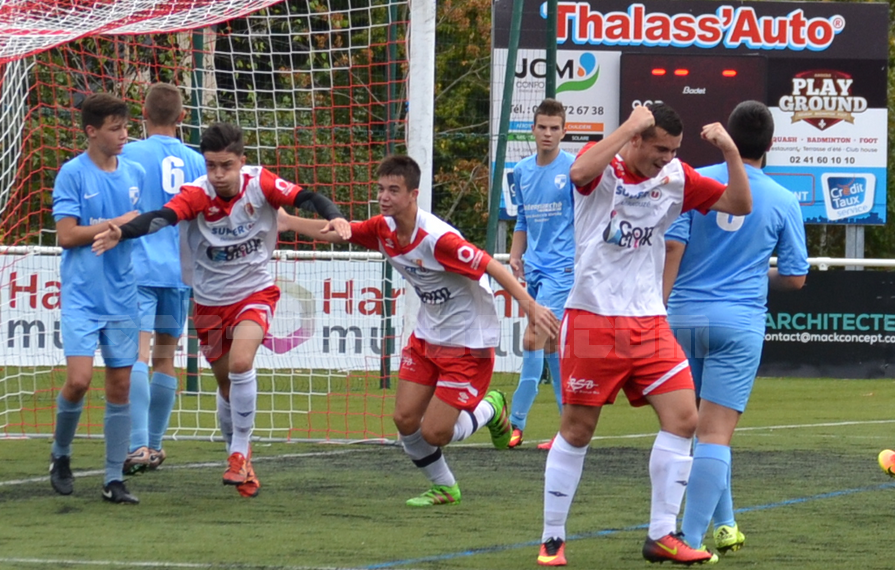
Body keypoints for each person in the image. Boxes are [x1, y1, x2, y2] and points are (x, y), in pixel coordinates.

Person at [536, 102, 752, 567]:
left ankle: (661, 534)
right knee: (577, 430)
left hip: (649, 320)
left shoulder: (676, 176)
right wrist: (628, 125)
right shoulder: (603, 167)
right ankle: (553, 537)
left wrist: (732, 154)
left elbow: (739, 204)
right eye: (659, 149)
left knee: (684, 419)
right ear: (636, 138)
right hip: (593, 318)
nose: (666, 159)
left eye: (673, 150)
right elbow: (578, 173)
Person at [279, 155, 560, 506]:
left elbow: (490, 265)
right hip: (427, 337)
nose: (384, 197)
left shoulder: (437, 240)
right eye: (381, 189)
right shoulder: (384, 229)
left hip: (468, 342)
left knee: (435, 432)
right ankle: (444, 486)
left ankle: (491, 408)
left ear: (413, 194)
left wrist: (530, 306)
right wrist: (287, 220)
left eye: (393, 190)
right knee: (404, 419)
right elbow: (339, 232)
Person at [93, 122, 349, 498]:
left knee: (242, 363)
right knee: (227, 386)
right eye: (211, 165)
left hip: (254, 293)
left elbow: (306, 196)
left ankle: (238, 452)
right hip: (210, 302)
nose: (218, 174)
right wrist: (122, 231)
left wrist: (336, 214)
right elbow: (160, 217)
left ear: (241, 162)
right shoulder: (197, 194)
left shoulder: (260, 184)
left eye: (226, 166)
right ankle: (242, 463)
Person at [664, 100, 808, 557]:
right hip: (737, 322)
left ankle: (724, 525)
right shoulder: (784, 200)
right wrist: (750, 275)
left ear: (726, 134)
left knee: (692, 431)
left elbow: (673, 248)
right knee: (715, 435)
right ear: (771, 143)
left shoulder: (694, 181)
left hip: (683, 317)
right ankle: (687, 540)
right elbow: (795, 276)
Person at [48, 93, 145, 504]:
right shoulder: (72, 174)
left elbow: (145, 224)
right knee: (79, 380)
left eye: (126, 127)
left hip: (123, 294)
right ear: (91, 131)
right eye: (115, 128)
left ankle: (112, 478)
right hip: (83, 296)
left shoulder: (135, 172)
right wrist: (116, 223)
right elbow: (67, 235)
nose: (124, 135)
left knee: (120, 385)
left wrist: (131, 227)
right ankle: (61, 455)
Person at [118, 83, 206, 474]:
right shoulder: (200, 162)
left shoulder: (129, 153)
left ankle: (136, 443)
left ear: (143, 113)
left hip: (137, 271)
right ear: (182, 117)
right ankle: (154, 445)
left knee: (135, 354)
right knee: (165, 357)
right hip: (180, 273)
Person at [507, 98, 576, 450]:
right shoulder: (521, 171)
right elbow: (522, 218)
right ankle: (568, 432)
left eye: (554, 128)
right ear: (532, 130)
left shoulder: (574, 169)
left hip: (563, 270)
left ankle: (514, 424)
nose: (548, 133)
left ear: (564, 131)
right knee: (551, 347)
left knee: (533, 337)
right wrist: (516, 255)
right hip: (533, 267)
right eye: (542, 127)